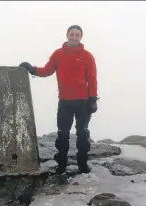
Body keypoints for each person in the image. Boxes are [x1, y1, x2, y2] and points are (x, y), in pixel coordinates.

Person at [19, 25, 98, 175]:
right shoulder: (58, 54)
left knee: (82, 134)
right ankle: (61, 165)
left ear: (81, 37)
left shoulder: (88, 56)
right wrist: (32, 69)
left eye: (77, 35)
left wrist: (93, 99)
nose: (74, 37)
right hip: (65, 101)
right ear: (67, 35)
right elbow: (47, 70)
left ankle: (83, 165)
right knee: (62, 134)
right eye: (72, 34)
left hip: (83, 101)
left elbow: (92, 78)